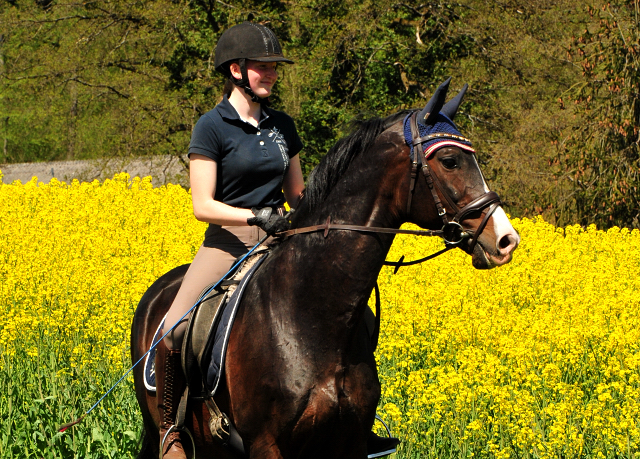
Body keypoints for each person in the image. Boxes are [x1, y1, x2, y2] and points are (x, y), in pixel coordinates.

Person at [154, 21, 398, 459]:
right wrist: (254, 216)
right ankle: (170, 429)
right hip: (227, 242)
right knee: (175, 327)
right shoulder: (211, 128)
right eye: (263, 67)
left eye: (274, 67)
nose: (272, 74)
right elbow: (203, 204)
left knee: (353, 316)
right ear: (235, 70)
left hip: (281, 240)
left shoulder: (283, 126)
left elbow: (299, 195)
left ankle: (357, 419)